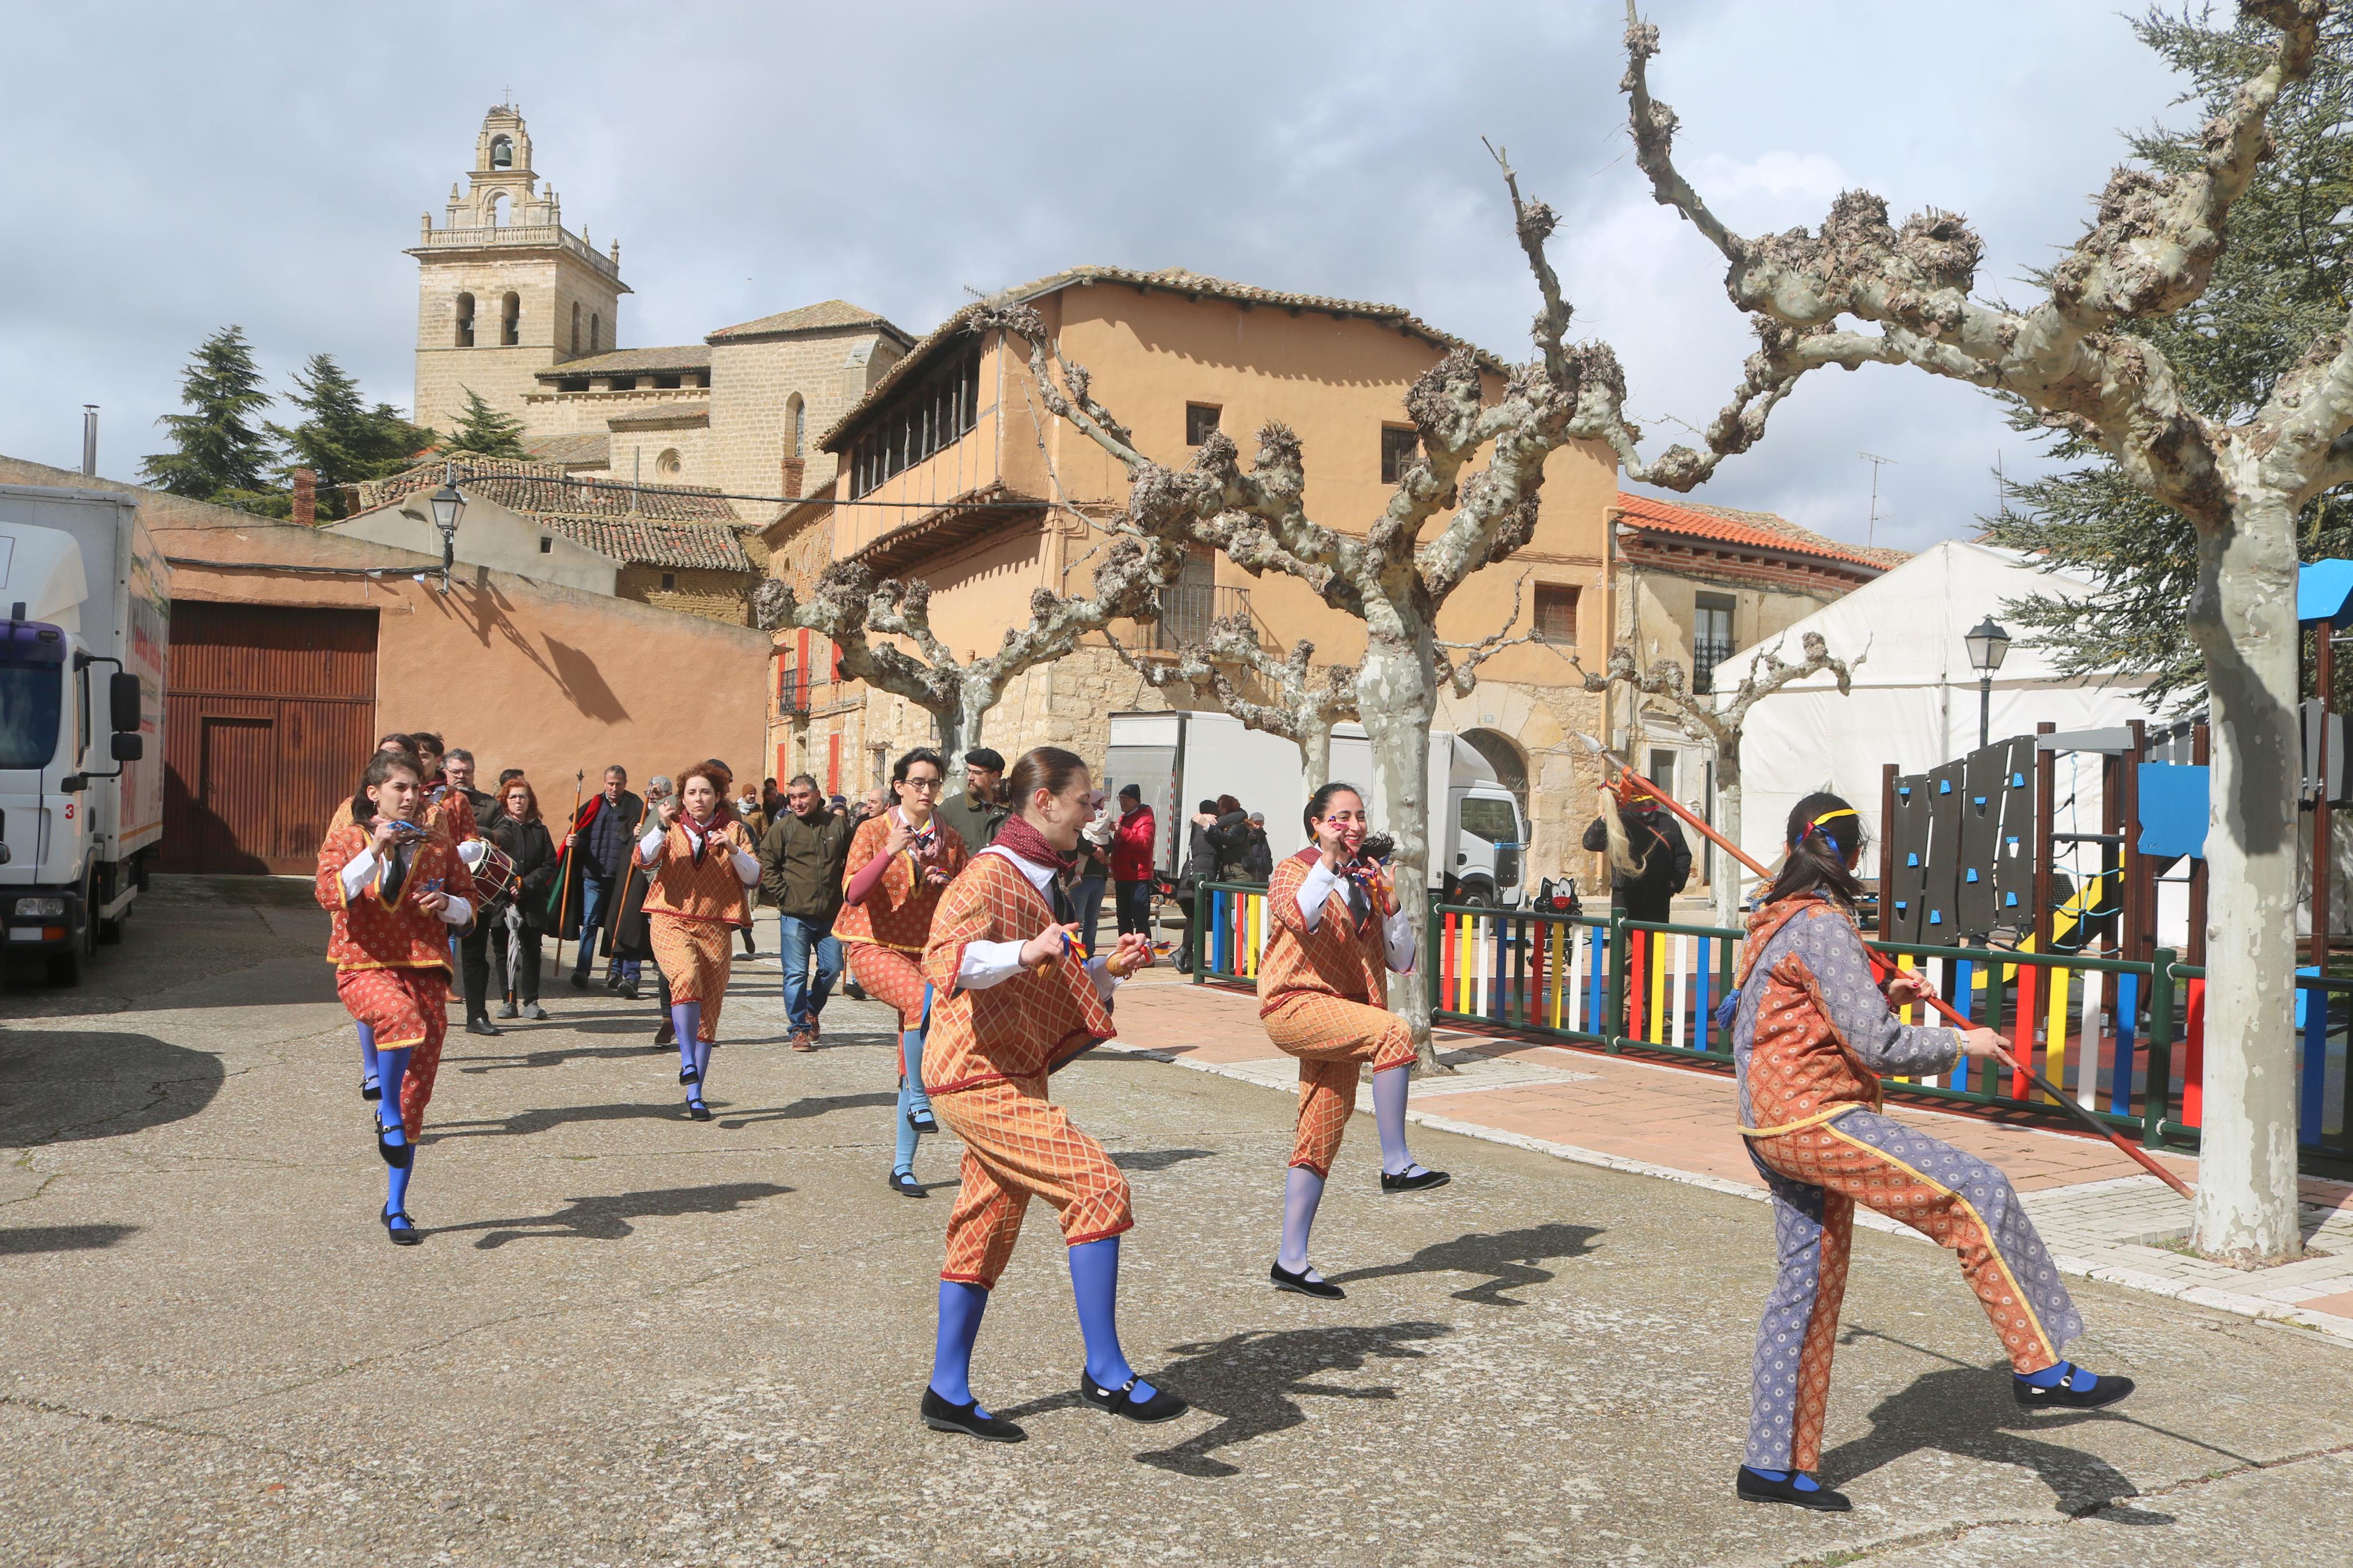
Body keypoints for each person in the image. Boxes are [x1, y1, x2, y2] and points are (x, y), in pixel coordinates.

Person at [1728, 793, 2131, 1513]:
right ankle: (2039, 1362)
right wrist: (1960, 1042)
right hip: (1813, 1118)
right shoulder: (1821, 923)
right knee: (1974, 1190)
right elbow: (1876, 1045)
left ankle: (1771, 1464)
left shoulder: (1774, 915)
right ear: (1849, 856)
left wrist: (1882, 987)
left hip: (1768, 1122)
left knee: (1806, 1287)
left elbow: (1811, 1009)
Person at [916, 746, 1178, 1442]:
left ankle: (946, 1391)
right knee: (1097, 1186)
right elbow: (947, 959)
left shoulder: (1037, 879)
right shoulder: (988, 874)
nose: (1095, 813)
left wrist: (1110, 968)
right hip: (973, 1072)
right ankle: (1104, 1369)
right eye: (1086, 801)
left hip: (1004, 1071)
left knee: (985, 1224)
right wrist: (1025, 951)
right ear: (1045, 803)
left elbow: (1051, 977)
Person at [1258, 783, 1447, 1301]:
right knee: (1393, 1031)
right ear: (1315, 824)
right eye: (1340, 817)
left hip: (1343, 1015)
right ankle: (1396, 1163)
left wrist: (1389, 904)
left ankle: (1290, 1260)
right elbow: (1300, 914)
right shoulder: (1293, 870)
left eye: (1359, 816)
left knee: (1319, 1130)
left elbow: (1402, 960)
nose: (1354, 825)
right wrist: (1330, 861)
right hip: (1293, 1004)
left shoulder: (1366, 880)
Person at [315, 749, 475, 1245]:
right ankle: (383, 1107)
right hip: (364, 966)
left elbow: (469, 912)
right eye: (400, 788)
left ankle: (398, 1206)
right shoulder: (346, 839)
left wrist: (446, 904)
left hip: (426, 970)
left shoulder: (438, 845)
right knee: (399, 1020)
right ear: (374, 794)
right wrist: (375, 852)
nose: (410, 797)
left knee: (415, 1096)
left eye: (417, 789)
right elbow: (329, 893)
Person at [837, 746, 970, 1196]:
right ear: (899, 786)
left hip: (923, 952)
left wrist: (946, 885)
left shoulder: (949, 841)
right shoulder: (874, 830)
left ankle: (902, 1167)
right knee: (921, 1001)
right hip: (872, 946)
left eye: (934, 783)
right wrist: (889, 852)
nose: (928, 791)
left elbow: (965, 900)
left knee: (913, 1044)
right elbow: (853, 893)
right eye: (919, 782)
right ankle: (919, 1098)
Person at [637, 762, 760, 1120]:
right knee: (685, 976)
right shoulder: (670, 824)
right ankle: (687, 1059)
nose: (698, 798)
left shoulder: (736, 829)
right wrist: (660, 825)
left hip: (716, 924)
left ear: (719, 796)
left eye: (705, 791)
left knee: (710, 1009)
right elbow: (643, 858)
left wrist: (734, 850)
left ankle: (695, 1094)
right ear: (682, 797)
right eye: (691, 792)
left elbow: (754, 877)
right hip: (670, 917)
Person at [760, 773, 855, 1051]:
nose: (798, 803)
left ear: (816, 796)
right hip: (795, 915)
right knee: (795, 974)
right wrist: (783, 894)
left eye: (803, 796)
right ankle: (798, 1028)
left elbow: (854, 860)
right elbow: (768, 862)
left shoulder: (838, 826)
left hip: (830, 915)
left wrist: (849, 896)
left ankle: (811, 1009)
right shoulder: (783, 828)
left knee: (832, 969)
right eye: (793, 798)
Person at [562, 766, 646, 995]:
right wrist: (575, 843)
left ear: (626, 783)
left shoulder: (636, 807)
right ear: (604, 783)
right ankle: (582, 970)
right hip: (593, 876)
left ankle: (616, 972)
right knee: (590, 923)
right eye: (610, 783)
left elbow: (648, 838)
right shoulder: (593, 805)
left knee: (617, 925)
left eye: (618, 784)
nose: (614, 788)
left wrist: (641, 832)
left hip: (621, 878)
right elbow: (581, 834)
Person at [487, 778, 559, 1021]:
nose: (519, 801)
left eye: (523, 796)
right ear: (505, 801)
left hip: (532, 899)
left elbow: (550, 863)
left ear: (530, 800)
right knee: (503, 950)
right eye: (514, 797)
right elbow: (490, 860)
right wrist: (508, 885)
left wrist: (526, 884)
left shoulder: (540, 829)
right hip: (502, 899)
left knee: (531, 950)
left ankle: (531, 1001)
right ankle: (509, 1000)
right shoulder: (499, 829)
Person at [443, 749, 503, 1036]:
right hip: (437, 890)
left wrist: (481, 835)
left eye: (466, 771)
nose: (461, 776)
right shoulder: (431, 802)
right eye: (455, 771)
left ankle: (477, 1016)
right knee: (433, 953)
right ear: (445, 772)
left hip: (476, 892)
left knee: (476, 956)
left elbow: (508, 833)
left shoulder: (490, 805)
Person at [1581, 777, 1692, 924]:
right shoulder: (1619, 822)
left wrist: (1673, 884)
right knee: (1623, 943)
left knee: (1654, 944)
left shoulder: (1668, 823)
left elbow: (1682, 856)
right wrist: (1605, 818)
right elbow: (1591, 843)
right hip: (1625, 894)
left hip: (1656, 896)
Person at [621, 776, 675, 1045]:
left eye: (656, 792)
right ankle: (667, 1018)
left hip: (697, 904)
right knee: (666, 962)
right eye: (649, 792)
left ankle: (699, 1024)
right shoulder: (654, 814)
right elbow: (642, 854)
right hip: (657, 892)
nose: (651, 795)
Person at [937, 746, 1010, 850]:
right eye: (969, 771)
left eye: (977, 773)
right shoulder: (951, 808)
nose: (970, 777)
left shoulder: (1014, 810)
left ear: (995, 776)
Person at [1110, 784, 1156, 942]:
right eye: (1120, 798)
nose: (1122, 802)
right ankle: (1125, 954)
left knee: (1140, 918)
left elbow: (1143, 843)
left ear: (1136, 800)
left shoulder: (1145, 818)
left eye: (1126, 798)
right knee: (1123, 918)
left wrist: (1122, 831)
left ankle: (1145, 955)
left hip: (1137, 875)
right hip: (1122, 875)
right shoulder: (1124, 817)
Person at [1070, 790, 1113, 955]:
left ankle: (1088, 952)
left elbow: (1111, 842)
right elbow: (1077, 841)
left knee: (1092, 920)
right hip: (1081, 879)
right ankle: (1072, 952)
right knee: (1076, 919)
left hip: (1098, 878)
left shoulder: (1103, 819)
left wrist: (1101, 850)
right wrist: (1094, 851)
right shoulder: (1079, 818)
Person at [1205, 794, 1253, 881]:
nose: (1219, 809)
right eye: (1218, 806)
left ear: (1230, 808)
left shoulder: (1240, 825)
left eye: (1222, 806)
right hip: (1231, 873)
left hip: (1241, 874)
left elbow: (1229, 839)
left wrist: (1208, 828)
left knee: (1240, 895)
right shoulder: (1226, 825)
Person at [1241, 810, 1275, 881]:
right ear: (1251, 823)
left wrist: (1269, 867)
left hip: (1264, 874)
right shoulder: (1248, 836)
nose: (1258, 826)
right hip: (1252, 873)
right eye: (1256, 824)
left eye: (1261, 824)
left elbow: (1267, 853)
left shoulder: (1263, 836)